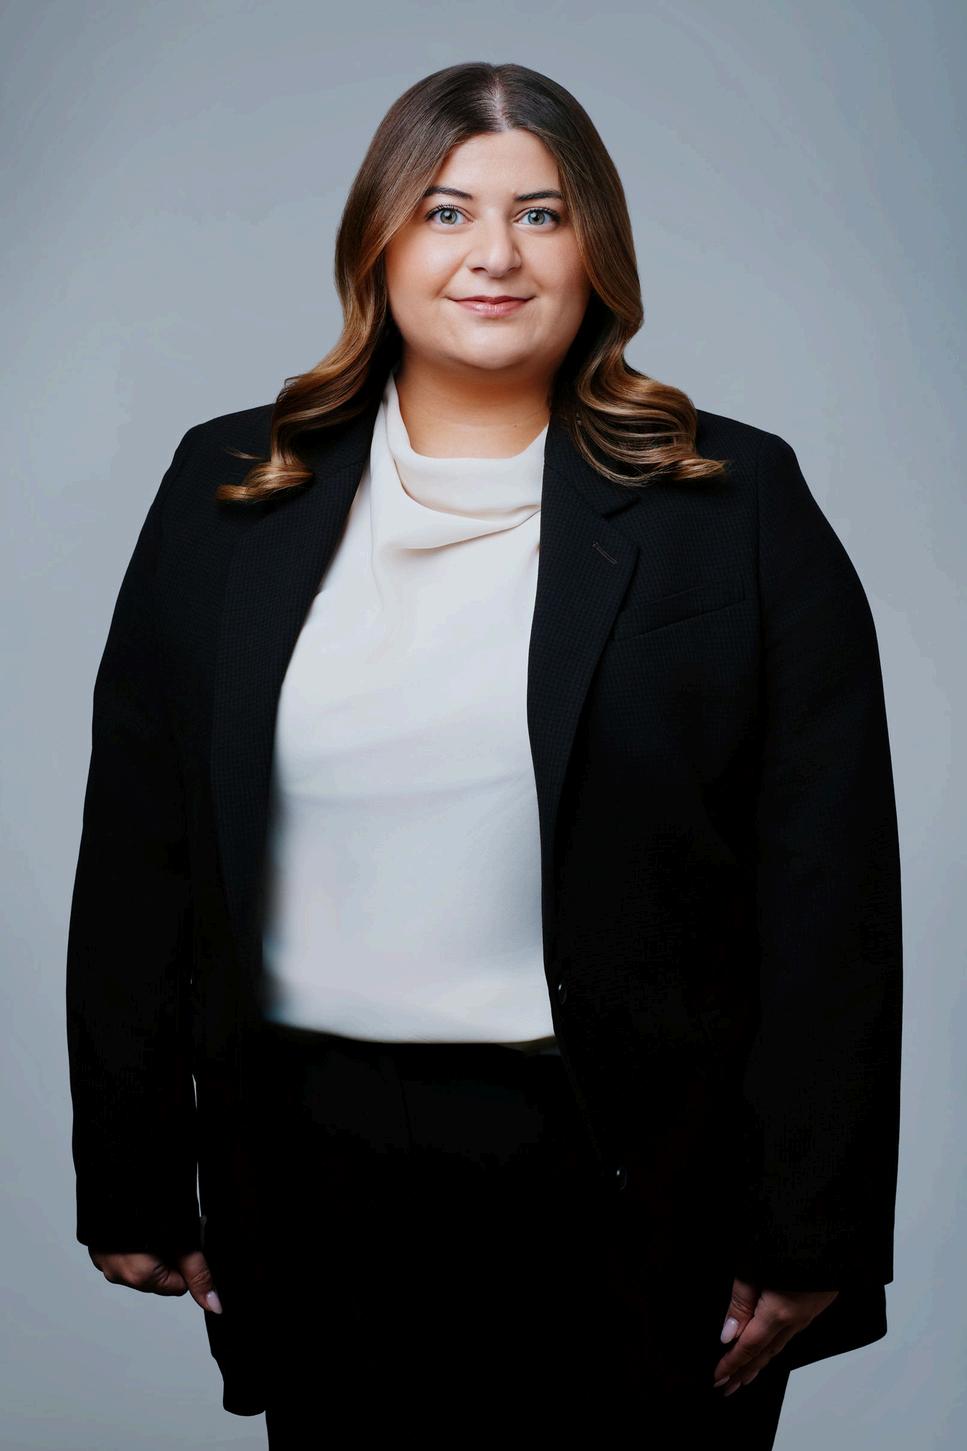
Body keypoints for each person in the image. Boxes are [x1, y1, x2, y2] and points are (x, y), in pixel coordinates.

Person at [66, 62, 902, 1448]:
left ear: (596, 251)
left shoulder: (731, 502)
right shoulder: (231, 486)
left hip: (631, 1177)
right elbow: (138, 850)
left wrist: (816, 1223)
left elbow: (831, 890)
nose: (495, 255)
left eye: (542, 214)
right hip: (315, 1172)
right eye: (447, 211)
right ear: (379, 243)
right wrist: (132, 1169)